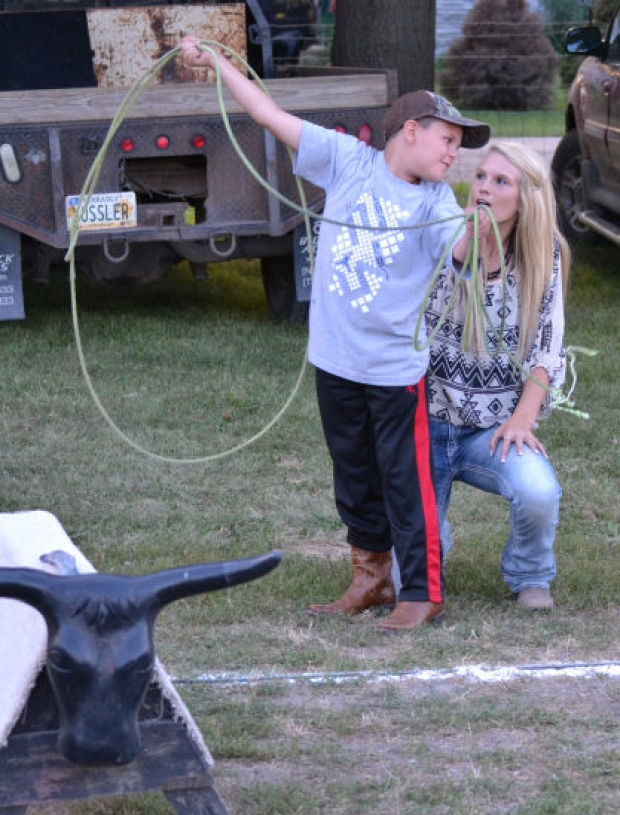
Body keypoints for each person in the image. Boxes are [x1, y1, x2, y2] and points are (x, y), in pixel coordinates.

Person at [181, 36, 490, 629]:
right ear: (409, 131)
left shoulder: (437, 204)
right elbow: (271, 115)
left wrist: (481, 224)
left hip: (395, 370)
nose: (453, 153)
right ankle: (370, 579)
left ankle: (421, 592)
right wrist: (218, 63)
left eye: (458, 145)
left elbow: (460, 250)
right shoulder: (348, 161)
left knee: (405, 478)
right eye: (447, 140)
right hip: (335, 359)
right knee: (351, 473)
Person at [393, 140, 569, 614]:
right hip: (426, 423)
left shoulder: (542, 254)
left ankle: (530, 574)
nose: (483, 188)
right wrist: (470, 241)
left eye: (500, 181)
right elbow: (440, 295)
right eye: (482, 176)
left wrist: (522, 420)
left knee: (538, 491)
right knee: (403, 581)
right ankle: (427, 562)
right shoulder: (449, 230)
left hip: (490, 430)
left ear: (526, 197)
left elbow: (547, 348)